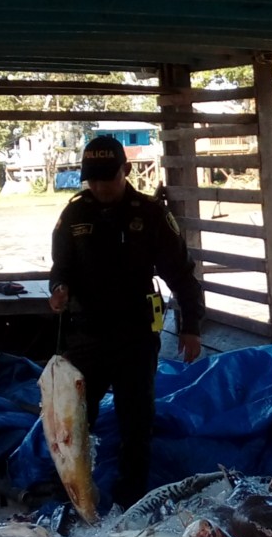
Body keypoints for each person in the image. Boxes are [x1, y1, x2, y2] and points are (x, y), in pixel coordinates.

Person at [48, 135, 205, 507]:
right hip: (86, 335)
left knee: (136, 420)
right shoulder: (74, 214)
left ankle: (131, 499)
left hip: (135, 334)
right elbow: (60, 268)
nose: (100, 186)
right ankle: (72, 496)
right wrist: (58, 290)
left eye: (108, 177)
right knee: (73, 422)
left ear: (126, 171)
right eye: (93, 179)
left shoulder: (150, 214)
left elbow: (182, 276)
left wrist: (191, 326)